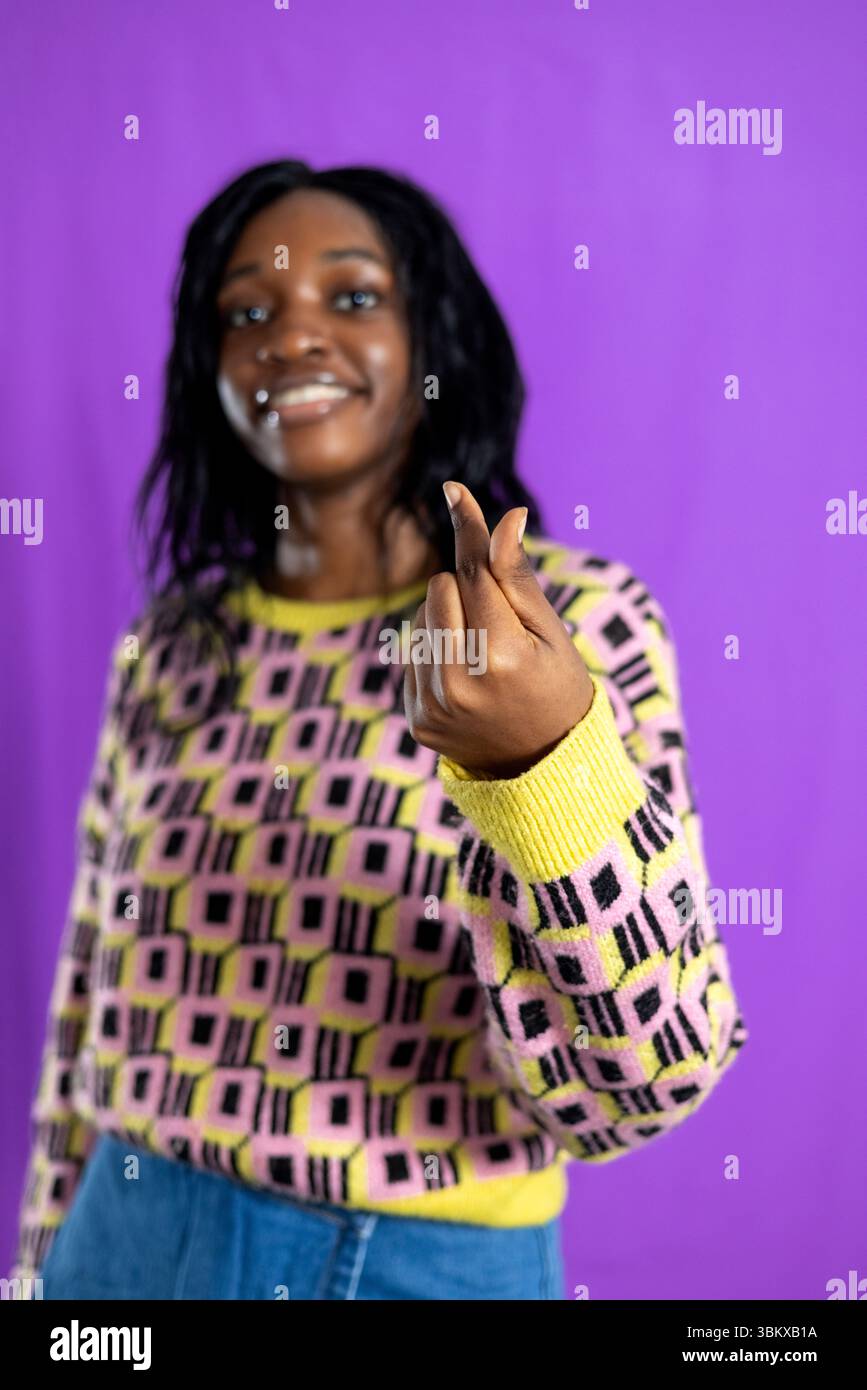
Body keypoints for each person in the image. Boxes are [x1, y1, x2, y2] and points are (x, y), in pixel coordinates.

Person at [9, 159, 748, 1301]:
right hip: (123, 1247)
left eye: (350, 298)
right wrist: (38, 1276)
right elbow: (82, 1011)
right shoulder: (167, 651)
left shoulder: (570, 627)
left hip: (407, 1264)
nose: (290, 337)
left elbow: (647, 1077)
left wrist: (535, 765)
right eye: (245, 312)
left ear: (434, 338)